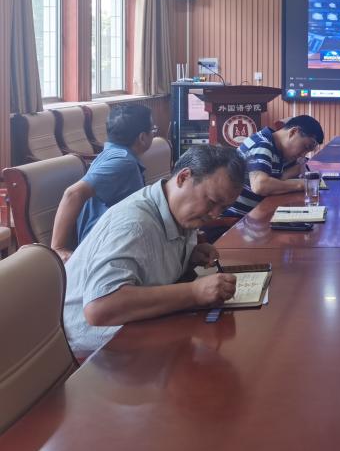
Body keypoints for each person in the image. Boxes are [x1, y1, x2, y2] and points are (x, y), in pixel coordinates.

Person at [62, 145, 246, 354]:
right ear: (183, 177)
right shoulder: (134, 225)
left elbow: (149, 260)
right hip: (94, 350)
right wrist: (194, 293)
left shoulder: (180, 212)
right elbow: (100, 308)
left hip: (138, 329)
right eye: (212, 202)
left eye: (223, 208)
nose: (214, 215)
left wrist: (189, 256)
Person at [50, 105, 156, 262]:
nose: (154, 134)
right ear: (142, 138)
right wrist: (58, 248)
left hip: (115, 239)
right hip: (103, 249)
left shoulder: (115, 154)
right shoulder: (122, 162)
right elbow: (72, 193)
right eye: (152, 130)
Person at [222, 115, 325, 218]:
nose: (303, 154)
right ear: (293, 132)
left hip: (255, 215)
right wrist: (303, 184)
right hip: (236, 219)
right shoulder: (262, 144)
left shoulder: (278, 148)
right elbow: (260, 186)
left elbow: (279, 179)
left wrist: (295, 170)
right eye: (305, 147)